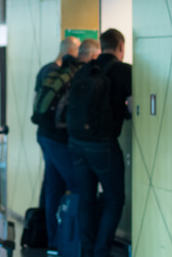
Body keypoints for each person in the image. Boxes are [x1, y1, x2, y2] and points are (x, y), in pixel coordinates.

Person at [67, 29, 132, 257]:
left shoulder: (84, 70)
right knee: (115, 199)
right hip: (103, 145)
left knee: (87, 197)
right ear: (121, 47)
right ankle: (101, 251)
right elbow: (132, 108)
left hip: (76, 142)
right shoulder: (125, 71)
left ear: (102, 46)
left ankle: (87, 251)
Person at [33, 38, 100, 253]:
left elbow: (37, 102)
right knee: (78, 185)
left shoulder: (48, 71)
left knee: (53, 186)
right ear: (73, 51)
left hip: (44, 134)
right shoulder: (73, 73)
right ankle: (75, 241)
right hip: (59, 138)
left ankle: (56, 240)